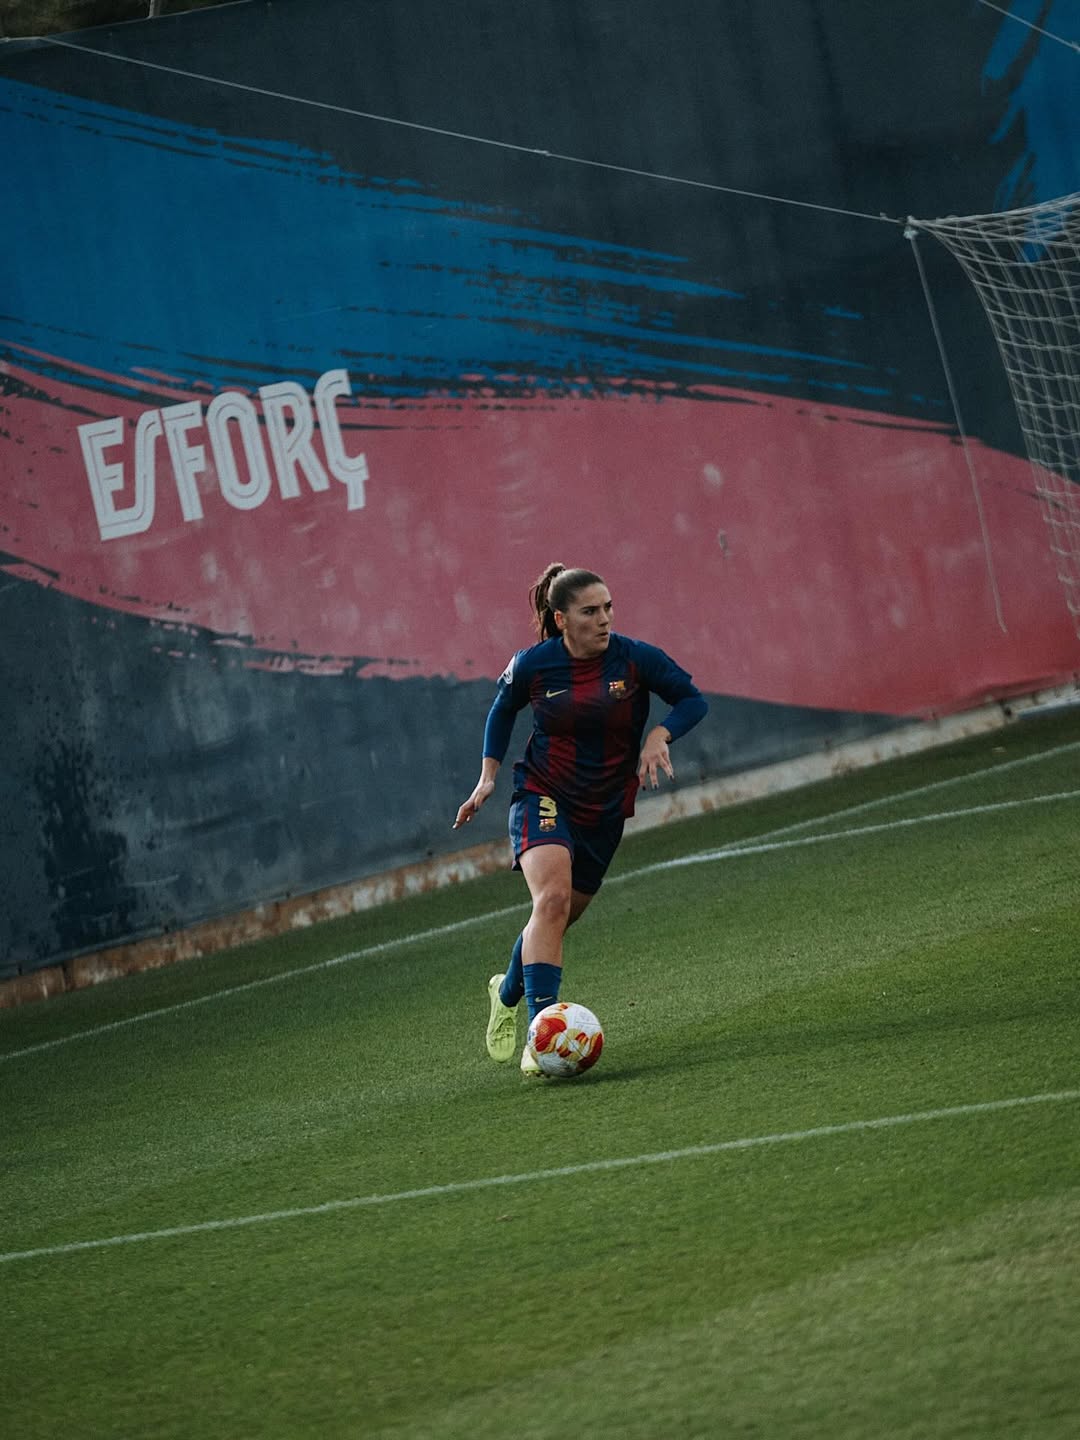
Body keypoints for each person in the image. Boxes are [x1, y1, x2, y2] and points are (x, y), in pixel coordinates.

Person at [453, 563, 708, 1075]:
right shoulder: (533, 664)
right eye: (590, 611)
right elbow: (502, 710)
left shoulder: (635, 659)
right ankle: (539, 1035)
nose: (605, 619)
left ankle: (505, 990)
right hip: (542, 792)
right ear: (562, 619)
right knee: (551, 900)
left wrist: (660, 735)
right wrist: (487, 777)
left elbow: (691, 700)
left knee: (559, 917)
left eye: (609, 607)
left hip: (606, 807)